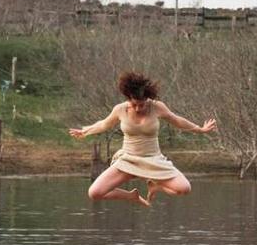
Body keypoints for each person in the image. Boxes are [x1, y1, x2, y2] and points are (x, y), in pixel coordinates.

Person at [68, 71, 217, 206]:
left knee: (184, 189)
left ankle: (156, 186)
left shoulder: (157, 107)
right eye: (134, 105)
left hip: (153, 159)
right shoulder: (120, 109)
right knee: (94, 193)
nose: (138, 108)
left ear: (148, 99)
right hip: (128, 159)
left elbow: (177, 120)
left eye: (142, 104)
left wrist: (199, 129)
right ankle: (131, 196)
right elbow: (104, 124)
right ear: (128, 99)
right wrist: (85, 131)